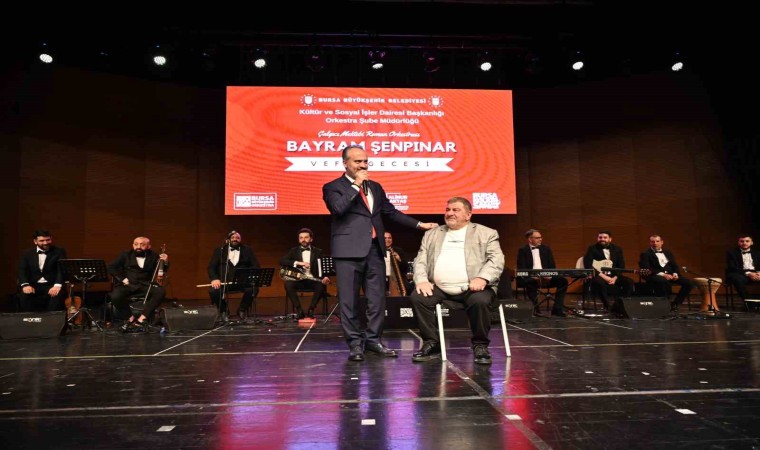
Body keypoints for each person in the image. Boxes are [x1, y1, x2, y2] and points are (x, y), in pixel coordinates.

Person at [322, 144, 437, 362]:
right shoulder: (332, 187)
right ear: (345, 163)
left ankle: (373, 341)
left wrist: (419, 224)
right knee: (349, 301)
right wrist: (356, 185)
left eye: (365, 161)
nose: (363, 165)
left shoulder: (375, 187)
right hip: (347, 252)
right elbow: (338, 208)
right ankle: (355, 344)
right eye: (357, 161)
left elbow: (390, 212)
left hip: (375, 250)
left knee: (377, 300)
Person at [410, 197, 504, 365]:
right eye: (447, 210)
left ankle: (480, 345)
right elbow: (420, 260)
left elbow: (496, 260)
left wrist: (482, 277)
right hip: (439, 287)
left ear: (468, 215)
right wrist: (422, 280)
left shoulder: (486, 233)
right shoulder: (432, 234)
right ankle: (432, 343)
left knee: (479, 301)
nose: (450, 213)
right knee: (419, 297)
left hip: (474, 287)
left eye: (455, 210)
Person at [107, 236, 169, 332]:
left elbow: (162, 270)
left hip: (145, 285)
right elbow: (111, 267)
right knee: (115, 296)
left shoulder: (154, 255)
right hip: (128, 285)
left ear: (149, 246)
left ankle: (142, 319)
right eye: (136, 244)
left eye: (142, 244)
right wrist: (122, 279)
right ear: (133, 245)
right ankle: (130, 319)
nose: (138, 247)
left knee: (160, 292)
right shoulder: (125, 254)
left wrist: (165, 261)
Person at [207, 230, 260, 322]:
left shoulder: (247, 250)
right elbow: (211, 267)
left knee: (253, 289)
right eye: (233, 237)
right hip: (224, 282)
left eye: (238, 238)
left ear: (240, 239)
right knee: (213, 291)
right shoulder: (220, 250)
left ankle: (242, 310)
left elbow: (256, 266)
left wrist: (250, 278)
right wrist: (215, 279)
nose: (235, 239)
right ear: (228, 239)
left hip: (242, 282)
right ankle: (223, 311)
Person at [279, 228, 331, 319]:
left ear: (311, 239)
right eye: (301, 238)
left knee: (321, 285)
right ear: (299, 240)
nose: (303, 240)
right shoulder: (293, 251)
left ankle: (311, 309)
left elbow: (324, 266)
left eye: (306, 237)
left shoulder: (318, 251)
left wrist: (326, 277)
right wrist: (299, 263)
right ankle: (299, 310)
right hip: (299, 280)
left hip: (313, 280)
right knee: (288, 284)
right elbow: (282, 261)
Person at [516, 229, 568, 317]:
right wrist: (532, 276)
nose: (540, 239)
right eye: (537, 238)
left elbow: (552, 266)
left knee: (563, 281)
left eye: (541, 237)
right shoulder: (522, 250)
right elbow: (522, 268)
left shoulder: (546, 249)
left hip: (546, 277)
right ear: (530, 239)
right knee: (530, 282)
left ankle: (557, 309)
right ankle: (536, 309)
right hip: (531, 278)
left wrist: (549, 275)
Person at [638, 234, 695, 312]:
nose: (655, 243)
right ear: (650, 243)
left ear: (662, 242)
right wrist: (663, 275)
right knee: (662, 281)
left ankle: (676, 303)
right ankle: (664, 304)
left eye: (657, 241)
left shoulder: (668, 253)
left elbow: (674, 266)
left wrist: (675, 274)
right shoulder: (645, 254)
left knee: (689, 283)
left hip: (670, 275)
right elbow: (646, 268)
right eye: (652, 241)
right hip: (654, 275)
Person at [583, 230, 634, 312]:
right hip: (599, 275)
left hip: (613, 275)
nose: (602, 239)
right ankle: (608, 307)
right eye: (600, 237)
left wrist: (615, 277)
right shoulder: (592, 248)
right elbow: (588, 264)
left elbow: (621, 266)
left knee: (629, 282)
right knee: (600, 283)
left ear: (610, 239)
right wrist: (604, 277)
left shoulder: (617, 249)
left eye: (605, 237)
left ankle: (619, 305)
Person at [17, 229, 68, 312]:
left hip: (51, 285)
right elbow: (22, 270)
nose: (45, 243)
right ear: (35, 241)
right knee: (25, 296)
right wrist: (25, 285)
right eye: (42, 241)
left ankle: (51, 319)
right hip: (33, 285)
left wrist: (57, 285)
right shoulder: (26, 253)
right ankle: (29, 319)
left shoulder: (59, 251)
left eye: (48, 240)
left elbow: (61, 270)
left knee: (57, 296)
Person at [726, 234, 760, 310]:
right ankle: (750, 303)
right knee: (737, 279)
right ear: (738, 243)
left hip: (756, 273)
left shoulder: (758, 253)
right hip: (740, 273)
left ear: (751, 243)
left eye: (747, 241)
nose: (744, 243)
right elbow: (732, 267)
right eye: (742, 241)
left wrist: (759, 273)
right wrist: (748, 273)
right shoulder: (731, 253)